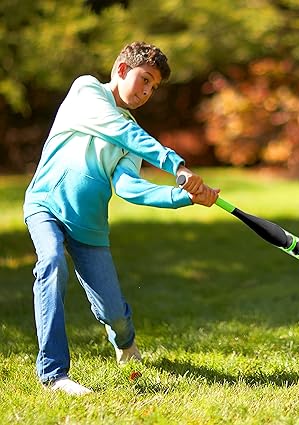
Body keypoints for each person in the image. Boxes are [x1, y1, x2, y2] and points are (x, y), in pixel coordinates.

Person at [23, 41, 219, 395]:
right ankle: (54, 374)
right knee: (51, 262)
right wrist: (176, 165)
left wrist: (184, 196)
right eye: (144, 79)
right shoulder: (87, 91)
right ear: (122, 70)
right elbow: (121, 130)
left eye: (154, 87)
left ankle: (125, 343)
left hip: (89, 225)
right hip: (45, 205)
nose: (147, 91)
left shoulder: (131, 136)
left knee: (114, 313)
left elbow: (130, 187)